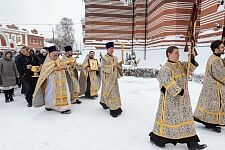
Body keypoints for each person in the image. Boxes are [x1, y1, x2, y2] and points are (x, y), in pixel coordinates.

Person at [149, 46, 207, 150]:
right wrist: (180, 91)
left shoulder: (180, 64)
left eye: (178, 53)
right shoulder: (165, 68)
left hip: (183, 100)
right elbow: (167, 82)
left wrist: (192, 57)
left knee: (187, 120)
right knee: (170, 122)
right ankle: (158, 139)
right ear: (169, 54)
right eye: (176, 53)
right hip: (170, 101)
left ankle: (192, 143)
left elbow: (189, 69)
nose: (178, 55)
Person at [194, 40, 225, 133]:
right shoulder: (215, 60)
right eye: (222, 47)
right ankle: (211, 122)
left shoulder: (214, 57)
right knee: (214, 105)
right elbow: (220, 74)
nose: (224, 48)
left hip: (211, 86)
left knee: (209, 105)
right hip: (214, 87)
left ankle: (209, 122)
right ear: (216, 49)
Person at [32, 46, 71, 114]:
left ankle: (62, 107)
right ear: (49, 54)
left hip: (62, 81)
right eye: (53, 53)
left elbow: (64, 66)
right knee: (50, 92)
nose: (55, 55)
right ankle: (49, 105)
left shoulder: (59, 60)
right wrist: (55, 68)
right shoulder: (47, 62)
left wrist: (65, 67)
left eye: (56, 53)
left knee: (62, 93)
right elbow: (45, 71)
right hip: (51, 82)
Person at [100, 42, 123, 118]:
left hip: (114, 79)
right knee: (110, 93)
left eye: (113, 48)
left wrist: (120, 63)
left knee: (115, 93)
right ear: (107, 49)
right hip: (108, 79)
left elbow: (117, 66)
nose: (112, 50)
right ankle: (113, 110)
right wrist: (112, 66)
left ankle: (115, 106)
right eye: (110, 48)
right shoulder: (104, 58)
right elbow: (103, 68)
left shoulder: (115, 58)